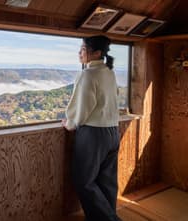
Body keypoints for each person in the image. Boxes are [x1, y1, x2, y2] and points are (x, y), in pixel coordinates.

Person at [63, 35, 121, 221]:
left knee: (83, 181)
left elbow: (82, 108)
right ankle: (108, 215)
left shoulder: (87, 74)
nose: (79, 53)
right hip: (113, 131)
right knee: (107, 180)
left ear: (96, 53)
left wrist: (70, 124)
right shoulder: (109, 72)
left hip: (94, 133)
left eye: (83, 49)